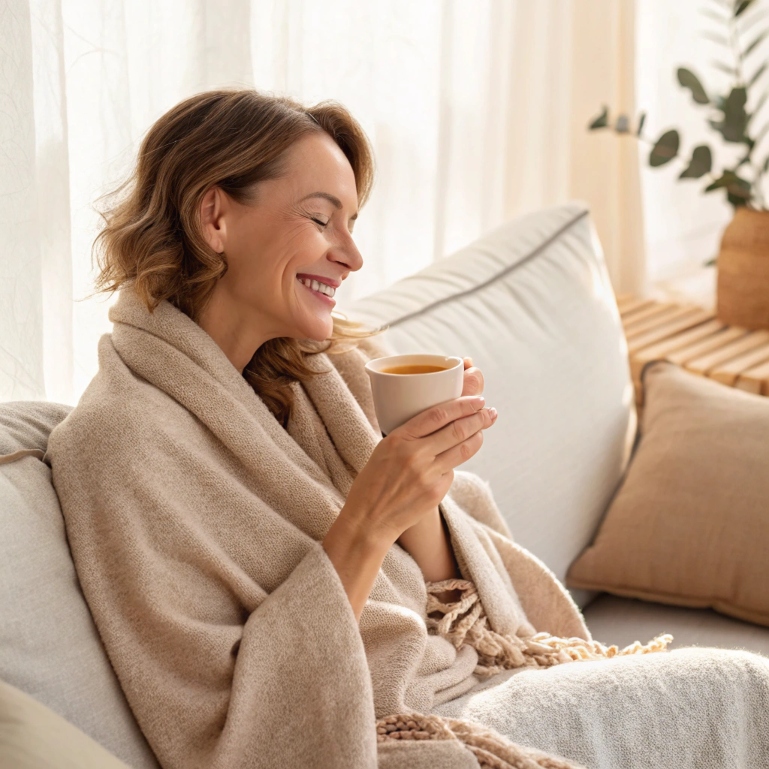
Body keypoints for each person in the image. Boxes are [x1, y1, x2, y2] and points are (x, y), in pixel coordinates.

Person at [47, 90, 769, 769]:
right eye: (321, 217)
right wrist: (365, 519)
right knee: (746, 688)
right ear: (215, 218)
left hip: (469, 693)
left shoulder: (332, 383)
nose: (352, 255)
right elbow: (234, 733)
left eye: (352, 225)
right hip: (387, 739)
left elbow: (452, 609)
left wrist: (424, 481)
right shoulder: (116, 444)